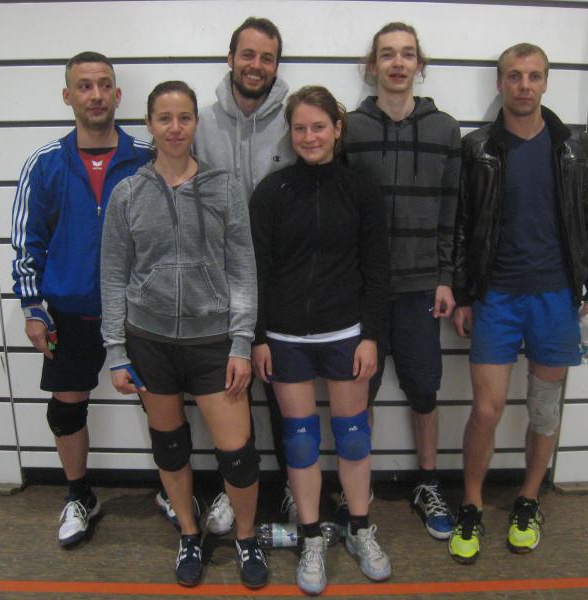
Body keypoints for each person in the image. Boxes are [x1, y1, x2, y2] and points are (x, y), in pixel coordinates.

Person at [100, 81, 267, 588]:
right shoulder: (127, 193)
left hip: (213, 342)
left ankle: (246, 537)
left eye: (185, 118)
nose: (175, 128)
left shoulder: (224, 188)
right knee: (170, 447)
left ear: (196, 123)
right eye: (165, 118)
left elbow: (243, 269)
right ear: (149, 125)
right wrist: (116, 351)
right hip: (149, 341)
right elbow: (113, 275)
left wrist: (241, 342)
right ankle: (190, 534)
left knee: (237, 455)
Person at [449, 43, 588, 564]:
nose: (524, 85)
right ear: (500, 83)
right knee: (486, 410)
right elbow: (462, 226)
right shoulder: (477, 148)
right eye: (514, 76)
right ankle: (471, 504)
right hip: (496, 298)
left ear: (546, 82)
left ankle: (528, 500)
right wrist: (464, 294)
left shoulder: (575, 148)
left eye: (534, 76)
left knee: (543, 410)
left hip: (557, 299)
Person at [250, 85, 391, 594]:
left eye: (318, 126)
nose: (309, 136)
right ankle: (311, 537)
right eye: (300, 128)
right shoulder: (271, 192)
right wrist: (259, 337)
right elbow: (256, 271)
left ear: (337, 128)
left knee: (352, 435)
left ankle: (360, 528)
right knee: (301, 440)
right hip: (284, 337)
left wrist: (371, 336)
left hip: (346, 333)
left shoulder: (362, 189)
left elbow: (377, 269)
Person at [10, 51, 152, 547]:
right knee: (66, 410)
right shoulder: (45, 164)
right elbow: (27, 241)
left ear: (118, 94)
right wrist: (32, 308)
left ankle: (173, 492)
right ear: (68, 95)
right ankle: (79, 496)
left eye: (104, 85)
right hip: (70, 312)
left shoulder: (148, 157)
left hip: (140, 312)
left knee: (163, 405)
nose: (96, 95)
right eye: (85, 86)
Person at [343, 22, 461, 541]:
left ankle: (428, 482)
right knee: (358, 395)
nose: (397, 63)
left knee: (424, 391)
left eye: (407, 54)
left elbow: (452, 212)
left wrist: (445, 277)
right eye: (387, 54)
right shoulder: (348, 129)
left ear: (419, 64)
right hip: (362, 291)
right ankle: (358, 489)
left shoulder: (445, 130)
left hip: (420, 289)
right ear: (372, 66)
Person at [192, 16, 298, 533]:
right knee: (229, 394)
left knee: (284, 391)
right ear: (231, 58)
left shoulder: (296, 121)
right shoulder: (198, 123)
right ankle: (235, 489)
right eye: (248, 55)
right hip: (217, 285)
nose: (256, 66)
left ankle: (296, 488)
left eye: (267, 57)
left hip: (282, 282)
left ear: (277, 66)